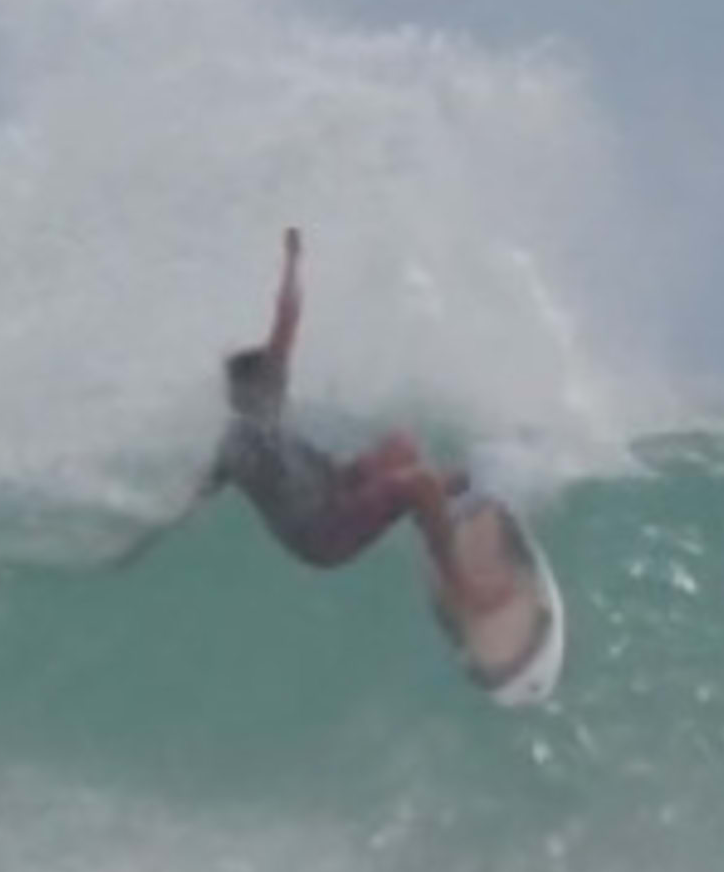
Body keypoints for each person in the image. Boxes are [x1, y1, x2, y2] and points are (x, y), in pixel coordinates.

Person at [188, 226, 510, 613]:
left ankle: (431, 513)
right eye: (267, 378)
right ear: (251, 391)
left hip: (332, 487)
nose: (278, 380)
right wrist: (293, 259)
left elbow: (286, 320)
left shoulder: (252, 415)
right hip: (323, 531)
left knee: (400, 446)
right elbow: (287, 318)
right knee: (419, 482)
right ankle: (464, 590)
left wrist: (292, 261)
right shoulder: (239, 439)